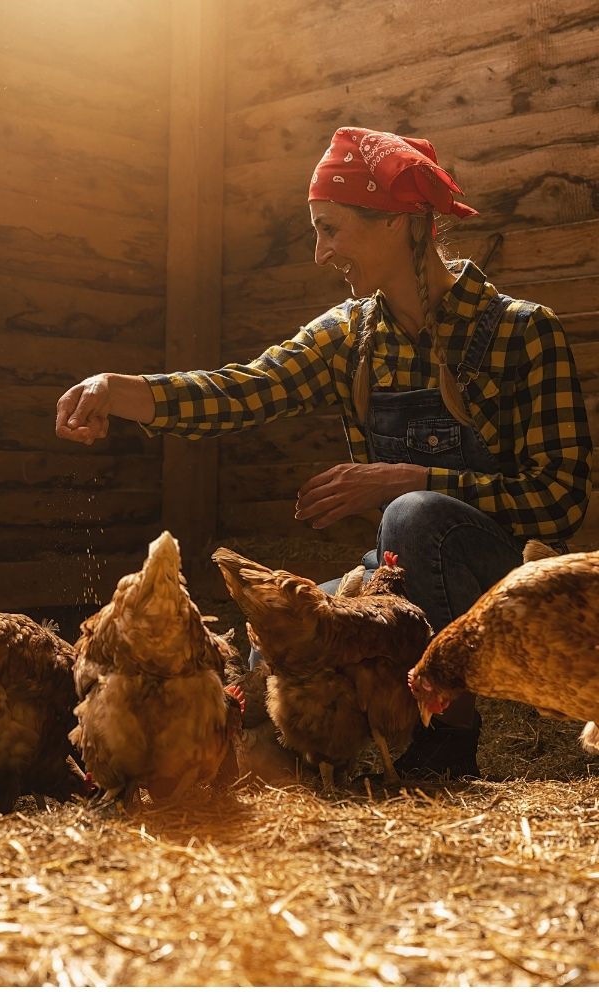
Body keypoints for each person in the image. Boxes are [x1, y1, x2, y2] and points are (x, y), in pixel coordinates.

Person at [54, 125, 593, 780]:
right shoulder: (350, 338)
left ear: (396, 222)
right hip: (400, 579)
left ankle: (448, 739)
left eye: (330, 229)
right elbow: (245, 390)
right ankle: (342, 753)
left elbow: (556, 503)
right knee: (276, 648)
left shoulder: (521, 332)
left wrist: (403, 478)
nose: (319, 253)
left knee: (416, 515)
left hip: (504, 589)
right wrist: (123, 390)